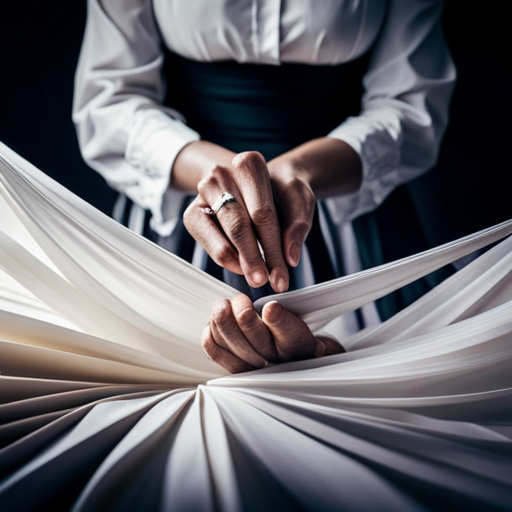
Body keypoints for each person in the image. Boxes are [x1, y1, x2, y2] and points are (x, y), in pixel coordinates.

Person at [73, 0, 455, 372]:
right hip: (183, 211)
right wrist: (222, 177)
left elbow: (412, 106)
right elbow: (108, 99)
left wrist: (297, 171)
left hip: (347, 205)